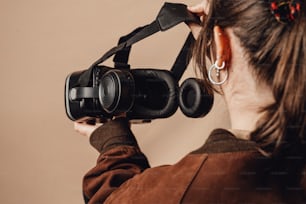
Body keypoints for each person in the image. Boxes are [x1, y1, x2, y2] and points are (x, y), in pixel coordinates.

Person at [74, 0, 306, 203]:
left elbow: (111, 198)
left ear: (222, 44)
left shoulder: (194, 186)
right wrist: (224, 56)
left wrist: (114, 146)